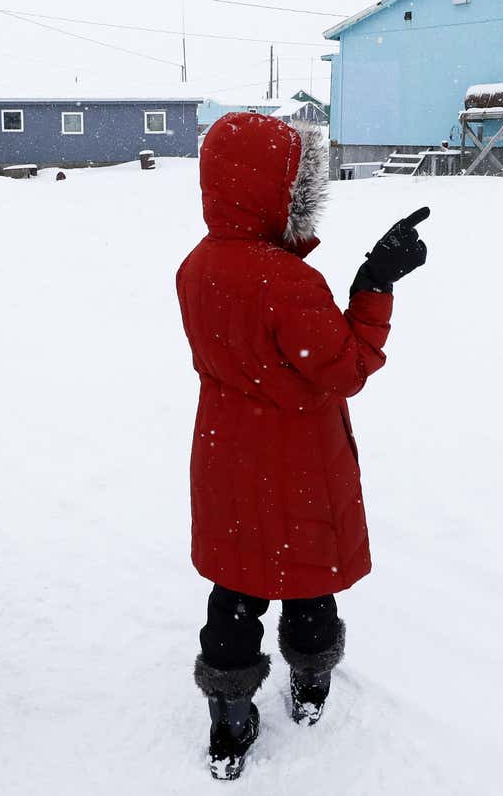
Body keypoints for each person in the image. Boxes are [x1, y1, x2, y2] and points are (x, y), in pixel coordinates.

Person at [176, 113, 430, 780]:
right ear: (276, 193)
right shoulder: (287, 283)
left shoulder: (197, 266)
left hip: (227, 455)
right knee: (306, 581)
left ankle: (229, 719)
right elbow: (346, 366)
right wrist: (375, 284)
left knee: (235, 587)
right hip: (298, 466)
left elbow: (249, 336)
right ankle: (310, 685)